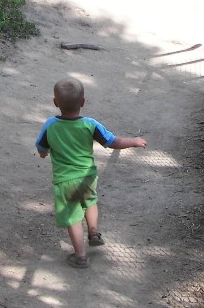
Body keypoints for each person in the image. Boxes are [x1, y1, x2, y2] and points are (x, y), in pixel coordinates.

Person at [35, 77, 147, 269]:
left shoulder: (50, 125)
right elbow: (113, 142)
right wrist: (134, 141)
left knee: (72, 218)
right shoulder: (90, 124)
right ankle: (94, 232)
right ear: (83, 102)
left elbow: (41, 147)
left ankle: (80, 256)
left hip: (65, 181)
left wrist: (44, 154)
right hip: (88, 177)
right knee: (90, 202)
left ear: (55, 103)